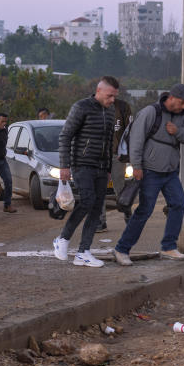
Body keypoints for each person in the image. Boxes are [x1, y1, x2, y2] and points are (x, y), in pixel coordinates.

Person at [112, 84, 184, 265]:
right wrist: (136, 166)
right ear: (172, 97)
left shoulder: (183, 116)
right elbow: (136, 139)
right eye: (182, 102)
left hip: (170, 171)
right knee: (144, 211)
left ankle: (168, 247)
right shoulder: (151, 112)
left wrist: (177, 131)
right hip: (149, 171)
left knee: (179, 204)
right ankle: (121, 249)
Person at [53, 77, 120, 267]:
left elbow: (108, 143)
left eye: (115, 96)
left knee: (97, 208)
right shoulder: (81, 107)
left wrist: (108, 168)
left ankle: (83, 252)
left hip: (101, 167)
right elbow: (65, 136)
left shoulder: (110, 111)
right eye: (110, 96)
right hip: (81, 164)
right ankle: (63, 239)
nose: (112, 100)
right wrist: (64, 166)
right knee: (88, 200)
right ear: (99, 91)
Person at [99, 96, 133, 231]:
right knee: (99, 189)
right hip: (99, 155)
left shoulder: (123, 106)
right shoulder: (94, 106)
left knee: (120, 188)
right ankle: (100, 221)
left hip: (116, 155)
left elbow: (130, 130)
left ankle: (128, 217)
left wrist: (127, 153)